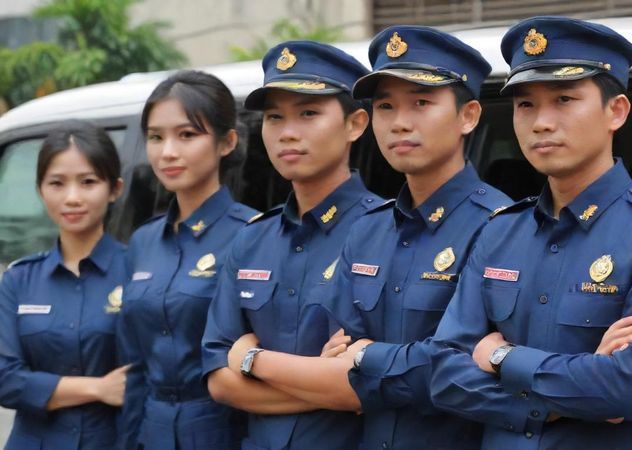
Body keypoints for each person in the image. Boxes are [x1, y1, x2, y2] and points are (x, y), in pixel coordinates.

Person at [428, 16, 632, 449]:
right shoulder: (501, 231)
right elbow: (445, 376)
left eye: (564, 98)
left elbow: (624, 390)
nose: (541, 122)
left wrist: (498, 356)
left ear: (615, 111)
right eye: (525, 105)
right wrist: (574, 392)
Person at [225, 26, 512, 450]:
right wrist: (355, 371)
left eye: (421, 103)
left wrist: (252, 358)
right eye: (386, 106)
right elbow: (340, 369)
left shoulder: (502, 226)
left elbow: (448, 376)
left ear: (468, 116)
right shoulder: (370, 230)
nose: (400, 123)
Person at [201, 41, 380, 450]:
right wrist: (319, 379)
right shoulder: (252, 238)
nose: (288, 133)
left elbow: (362, 386)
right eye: (274, 117)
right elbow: (219, 380)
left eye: (308, 113)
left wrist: (250, 360)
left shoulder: (383, 232)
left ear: (355, 124)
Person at [117, 70, 258, 450]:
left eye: (187, 135)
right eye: (155, 137)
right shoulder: (143, 242)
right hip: (152, 432)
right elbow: (136, 370)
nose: (168, 152)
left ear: (227, 142)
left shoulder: (254, 235)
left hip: (227, 432)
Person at [0, 120, 127, 449]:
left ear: (115, 188)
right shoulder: (18, 280)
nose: (72, 198)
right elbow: (6, 380)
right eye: (57, 183)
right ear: (41, 189)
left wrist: (45, 388)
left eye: (87, 182)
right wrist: (98, 388)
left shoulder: (139, 272)